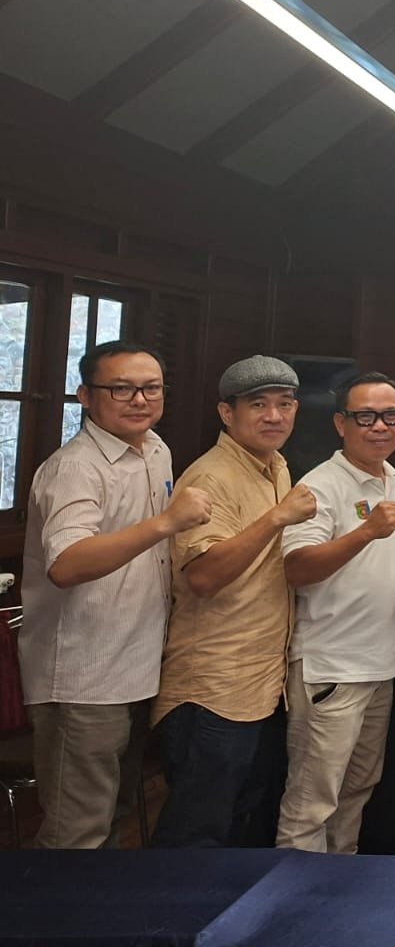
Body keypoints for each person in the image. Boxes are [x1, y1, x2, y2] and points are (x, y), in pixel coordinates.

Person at [19, 340, 210, 848]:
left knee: (117, 815)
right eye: (121, 389)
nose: (139, 399)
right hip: (83, 676)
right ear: (85, 395)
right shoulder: (74, 468)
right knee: (77, 830)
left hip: (139, 665)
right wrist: (166, 522)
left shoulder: (156, 449)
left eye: (151, 388)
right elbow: (67, 564)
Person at [151, 355, 317, 847]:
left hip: (261, 683)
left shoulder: (275, 465)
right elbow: (203, 577)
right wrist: (276, 518)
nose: (274, 416)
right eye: (259, 405)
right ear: (228, 413)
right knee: (196, 833)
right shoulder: (211, 476)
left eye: (285, 404)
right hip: (212, 687)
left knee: (243, 824)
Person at [276, 371, 395, 852]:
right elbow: (296, 568)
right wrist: (365, 532)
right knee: (311, 802)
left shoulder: (392, 477)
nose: (380, 427)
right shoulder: (321, 485)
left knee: (356, 791)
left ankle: (336, 886)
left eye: (391, 416)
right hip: (332, 668)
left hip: (380, 666)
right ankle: (296, 894)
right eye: (366, 417)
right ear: (341, 423)